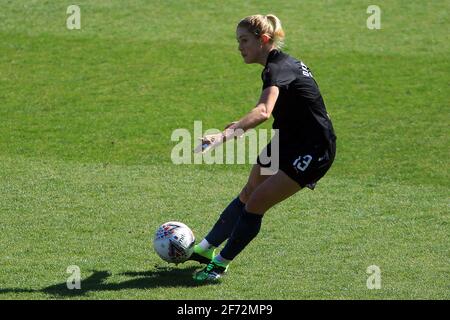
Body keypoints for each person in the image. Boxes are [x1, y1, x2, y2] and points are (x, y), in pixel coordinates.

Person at [189, 14, 337, 282]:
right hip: (288, 139)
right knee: (248, 192)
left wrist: (222, 137)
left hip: (314, 149)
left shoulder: (277, 68)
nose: (239, 47)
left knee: (256, 202)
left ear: (264, 40)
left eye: (244, 40)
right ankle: (204, 249)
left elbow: (263, 111)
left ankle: (219, 266)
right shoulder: (279, 65)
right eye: (238, 41)